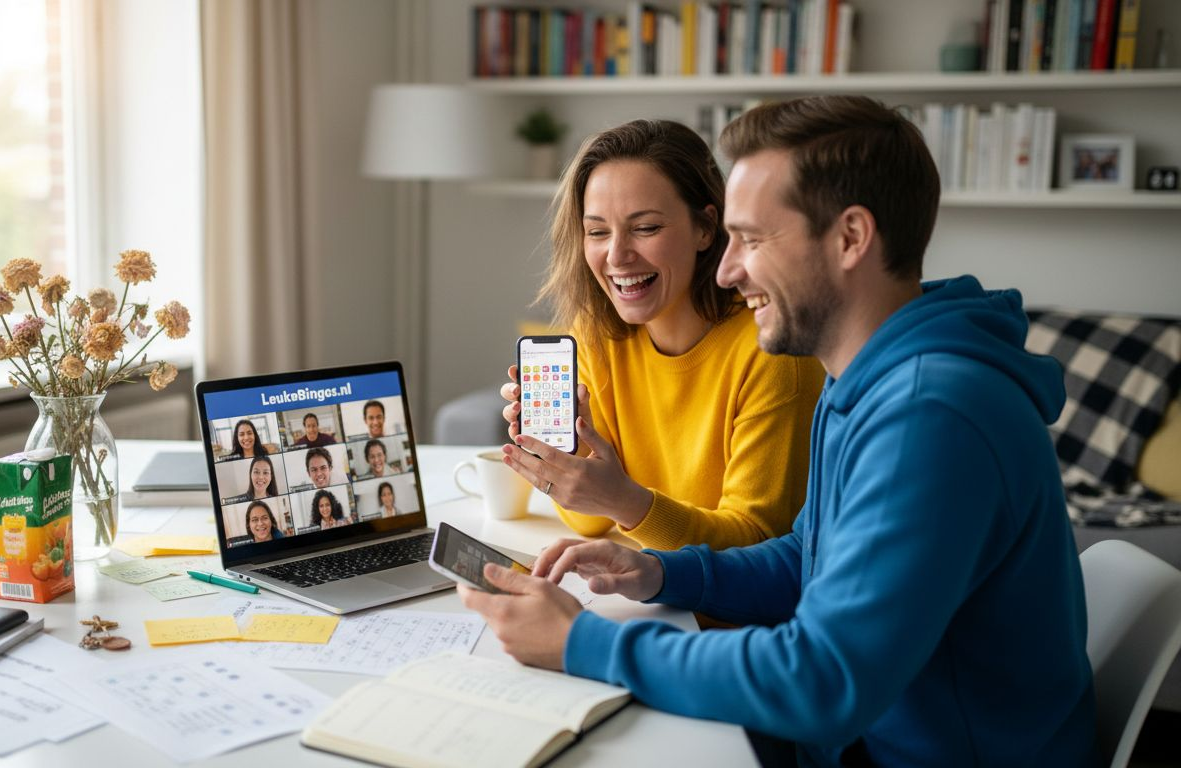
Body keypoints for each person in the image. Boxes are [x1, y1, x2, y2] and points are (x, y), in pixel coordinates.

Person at [461, 96, 1094, 765]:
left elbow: (824, 681)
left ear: (851, 238)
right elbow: (808, 558)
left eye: (753, 239)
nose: (727, 269)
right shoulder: (867, 377)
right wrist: (659, 572)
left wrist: (581, 643)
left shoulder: (931, 416)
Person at [499, 119, 822, 550]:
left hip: (718, 594)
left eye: (646, 228)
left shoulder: (770, 350)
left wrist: (626, 502)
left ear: (705, 228)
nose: (617, 255)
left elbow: (755, 542)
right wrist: (566, 457)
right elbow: (591, 522)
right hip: (639, 578)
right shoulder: (595, 338)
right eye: (597, 232)